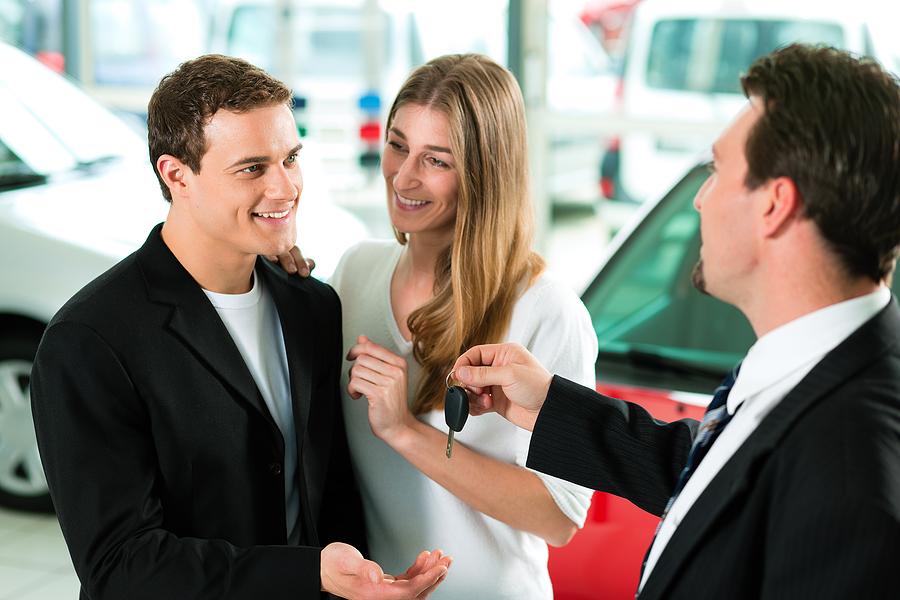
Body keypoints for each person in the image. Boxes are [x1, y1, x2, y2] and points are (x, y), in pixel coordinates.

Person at [452, 44, 900, 599]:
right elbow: (721, 473)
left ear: (775, 206)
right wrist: (550, 405)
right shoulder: (812, 366)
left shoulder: (851, 476)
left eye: (718, 172)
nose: (700, 202)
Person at [30, 54, 449, 600]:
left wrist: (363, 582)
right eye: (252, 168)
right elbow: (120, 566)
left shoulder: (313, 308)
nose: (285, 189)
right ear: (176, 174)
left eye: (291, 158)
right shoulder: (89, 342)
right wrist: (307, 574)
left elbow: (328, 496)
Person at [281, 53, 597, 599]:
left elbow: (561, 518)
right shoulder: (355, 271)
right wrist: (281, 295)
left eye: (436, 160)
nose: (403, 176)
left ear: (484, 173)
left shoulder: (547, 310)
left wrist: (405, 430)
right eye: (398, 145)